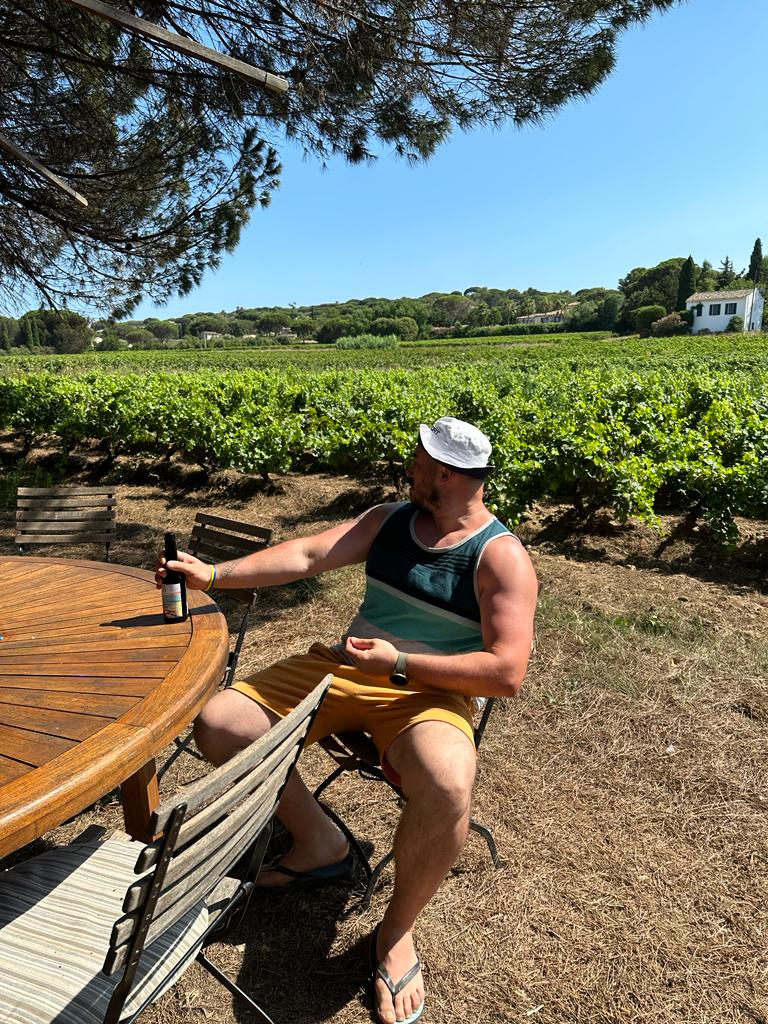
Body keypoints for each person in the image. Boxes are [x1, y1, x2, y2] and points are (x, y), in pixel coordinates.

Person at [156, 416, 538, 1024]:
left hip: (426, 693)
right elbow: (309, 554)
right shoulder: (389, 520)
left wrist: (401, 663)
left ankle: (396, 932)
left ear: (446, 475)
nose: (409, 470)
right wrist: (215, 575)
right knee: (221, 720)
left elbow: (506, 672)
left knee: (446, 785)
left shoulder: (501, 557)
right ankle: (322, 842)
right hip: (344, 667)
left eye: (418, 464)